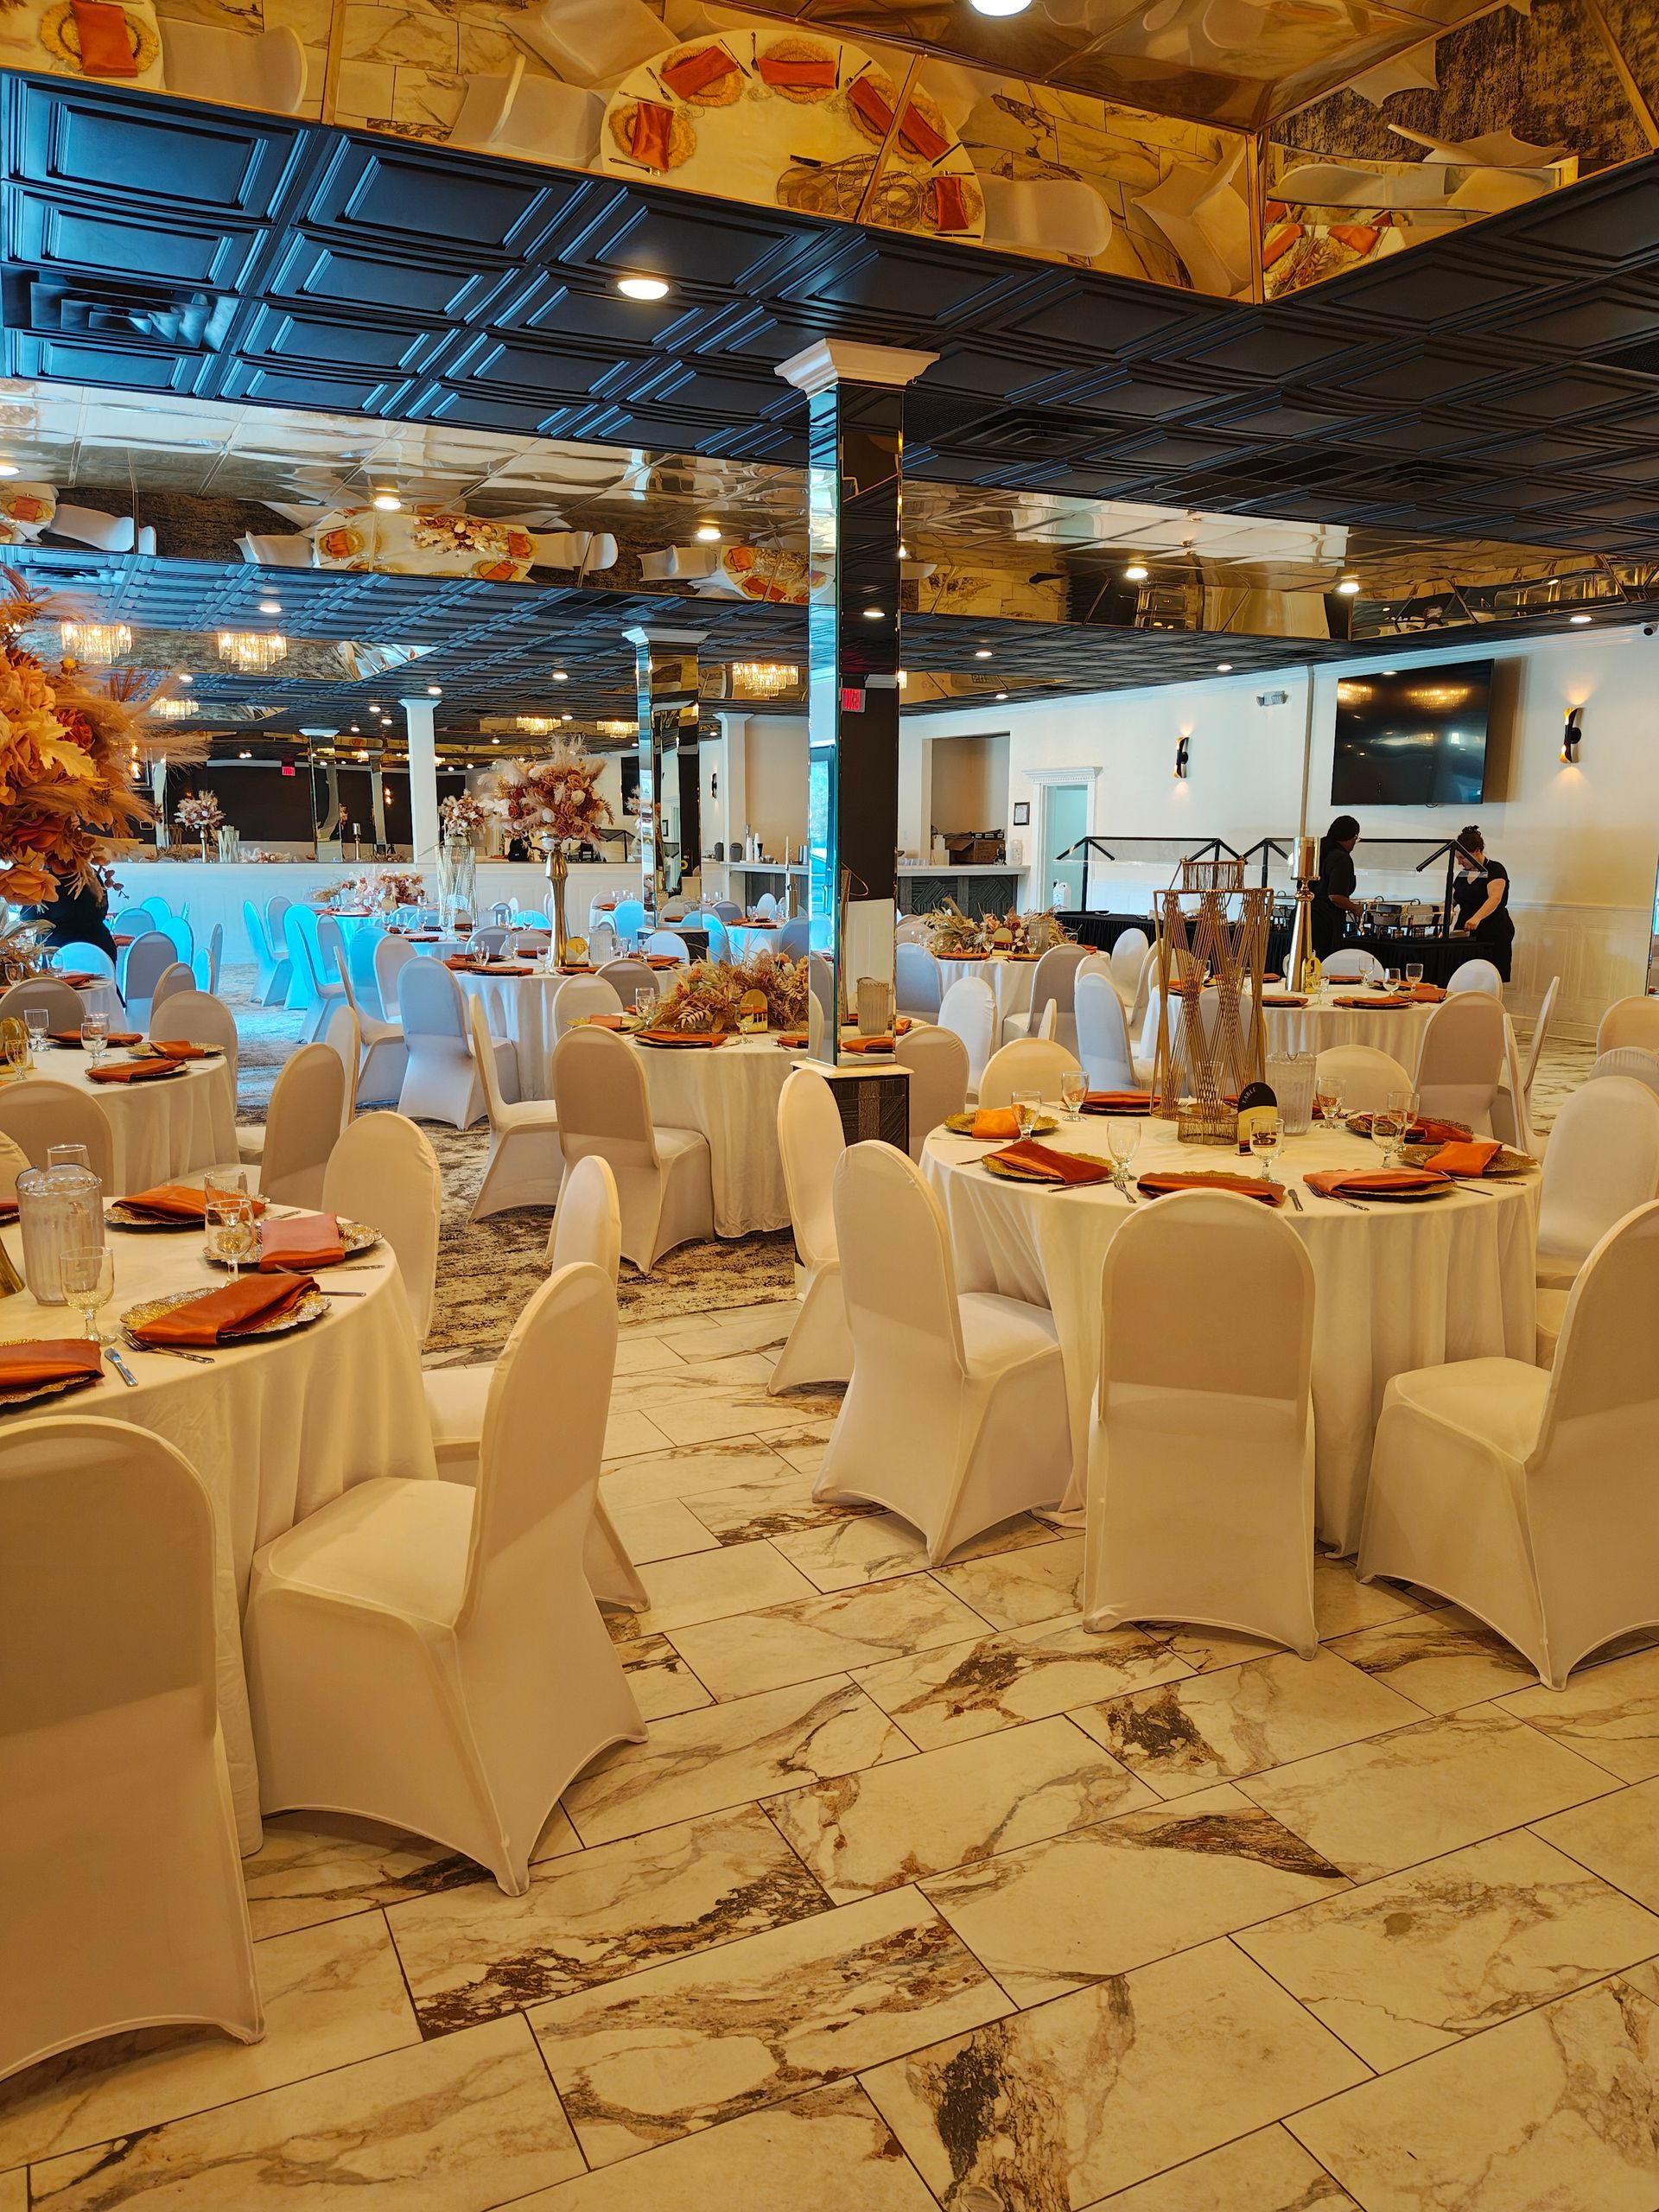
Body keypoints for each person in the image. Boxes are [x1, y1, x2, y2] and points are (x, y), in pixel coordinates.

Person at [1449, 823, 1514, 980]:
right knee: (1463, 976)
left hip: (1492, 931)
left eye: (1462, 858)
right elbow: (1451, 900)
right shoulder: (1463, 875)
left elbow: (1495, 898)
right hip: (1465, 933)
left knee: (1489, 978)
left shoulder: (1495, 869)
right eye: (1457, 858)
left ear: (1477, 851)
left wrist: (1477, 918)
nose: (1459, 862)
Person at [22, 868, 118, 963]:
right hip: (101, 949)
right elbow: (102, 911)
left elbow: (28, 918)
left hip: (59, 952)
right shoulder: (91, 874)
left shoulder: (44, 879)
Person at [1311, 815, 1363, 958]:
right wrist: (1355, 908)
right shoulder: (1341, 858)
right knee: (1323, 964)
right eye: (1356, 839)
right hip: (1324, 922)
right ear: (1352, 836)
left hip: (1304, 916)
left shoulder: (1318, 851)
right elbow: (1336, 897)